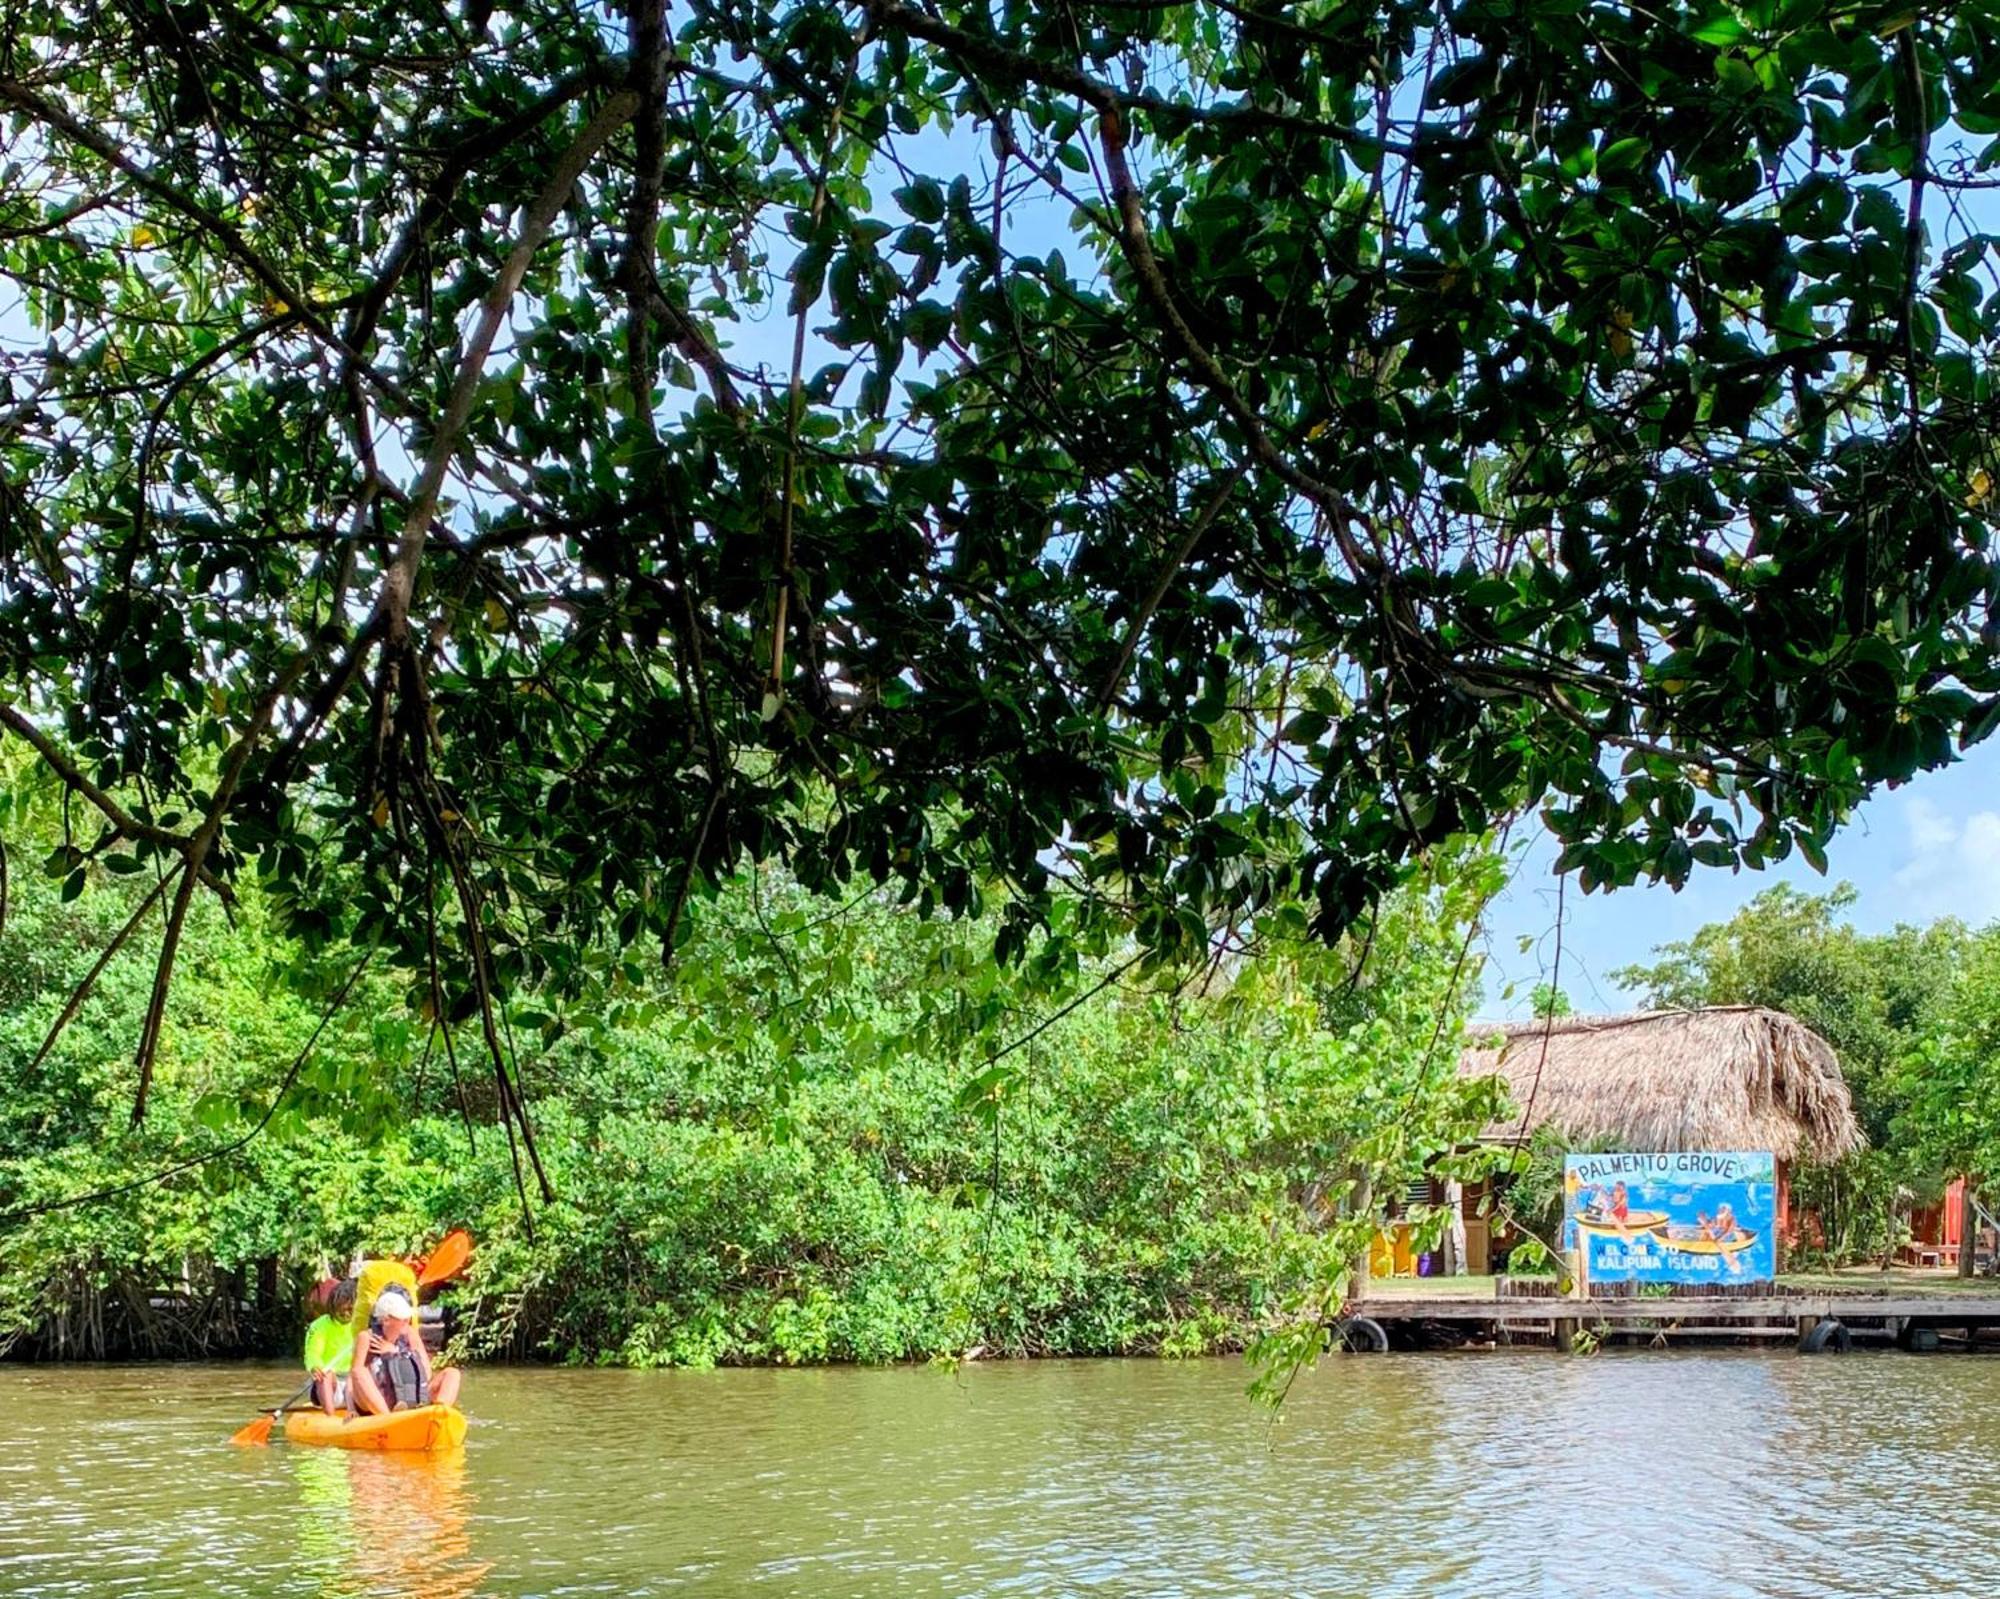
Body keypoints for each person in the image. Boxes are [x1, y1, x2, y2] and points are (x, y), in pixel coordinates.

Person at [349, 1285, 462, 1415]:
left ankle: (440, 1412)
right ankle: (386, 1417)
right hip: (380, 1396)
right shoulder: (367, 1338)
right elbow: (354, 1377)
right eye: (402, 1318)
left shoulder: (410, 1334)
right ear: (386, 1320)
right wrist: (351, 1409)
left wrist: (396, 1353)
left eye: (407, 1318)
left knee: (452, 1373)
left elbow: (426, 1372)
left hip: (410, 1394)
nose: (407, 1321)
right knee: (359, 1372)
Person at [303, 1278, 358, 1415]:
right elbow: (312, 1353)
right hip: (330, 1384)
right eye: (341, 1310)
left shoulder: (363, 1325)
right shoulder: (319, 1326)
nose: (345, 1314)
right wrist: (316, 1366)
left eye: (350, 1310)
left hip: (355, 1382)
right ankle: (330, 1417)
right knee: (326, 1373)